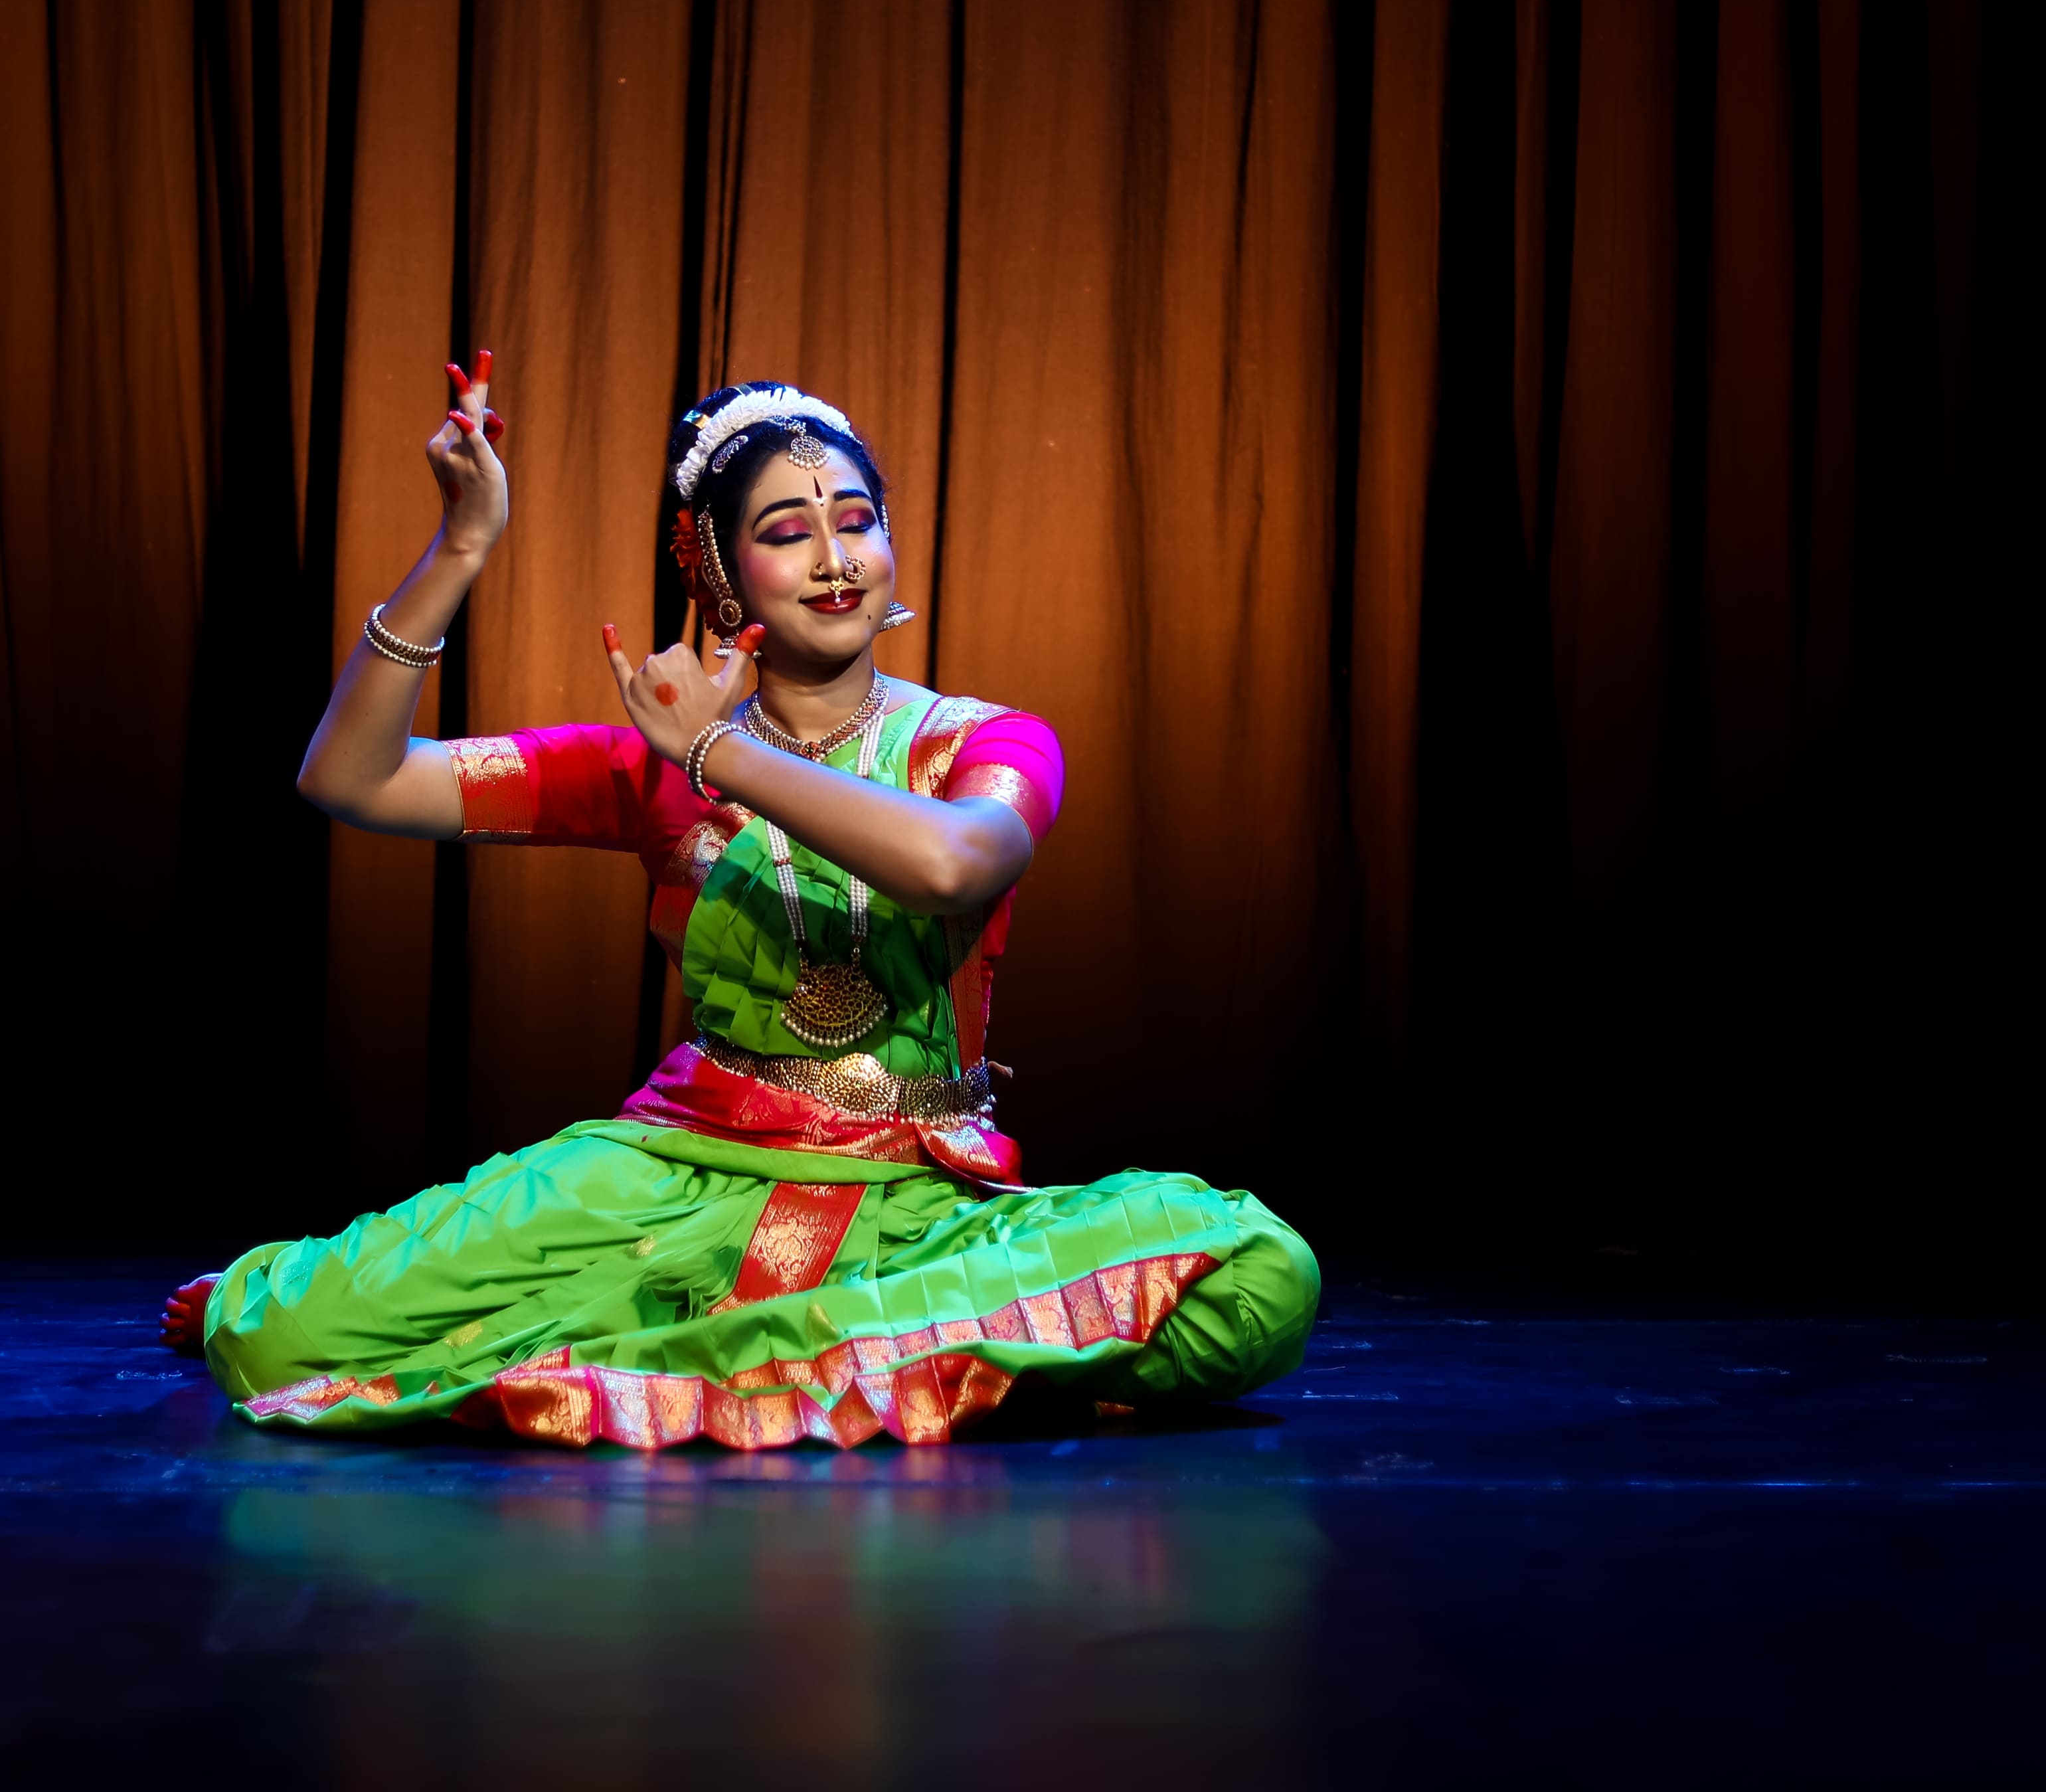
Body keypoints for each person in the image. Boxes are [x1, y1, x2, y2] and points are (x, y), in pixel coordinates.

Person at [161, 361, 1318, 1449]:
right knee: (273, 1336)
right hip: (675, 1178)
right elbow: (350, 778)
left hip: (916, 1204)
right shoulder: (641, 771)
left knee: (1260, 1269)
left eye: (857, 520)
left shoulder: (980, 743)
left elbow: (959, 867)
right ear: (719, 570)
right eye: (788, 531)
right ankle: (831, 1370)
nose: (837, 557)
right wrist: (461, 546)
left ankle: (675, 1364)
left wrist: (719, 751)